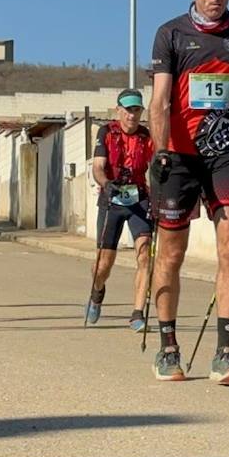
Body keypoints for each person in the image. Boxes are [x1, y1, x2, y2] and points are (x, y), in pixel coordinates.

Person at [146, 0, 229, 385]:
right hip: (178, 154)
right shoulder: (170, 34)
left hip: (227, 153)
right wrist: (160, 151)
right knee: (172, 253)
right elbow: (159, 100)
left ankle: (225, 352)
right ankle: (168, 347)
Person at [86, 88, 155, 331]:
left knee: (145, 254)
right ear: (119, 111)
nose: (132, 115)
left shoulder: (147, 136)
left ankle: (137, 313)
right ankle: (97, 290)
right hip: (112, 200)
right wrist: (106, 183)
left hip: (139, 199)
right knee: (104, 264)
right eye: (128, 110)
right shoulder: (106, 132)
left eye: (137, 110)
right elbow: (98, 166)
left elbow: (155, 168)